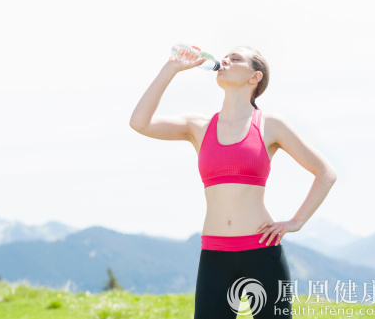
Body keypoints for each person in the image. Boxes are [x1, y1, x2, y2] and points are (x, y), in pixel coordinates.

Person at [129, 46, 337, 318]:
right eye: (225, 56)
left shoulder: (270, 125)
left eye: (236, 58)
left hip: (262, 252)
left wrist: (296, 222)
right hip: (214, 255)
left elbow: (325, 173)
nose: (224, 60)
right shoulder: (198, 126)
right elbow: (139, 123)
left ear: (255, 77)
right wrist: (171, 68)